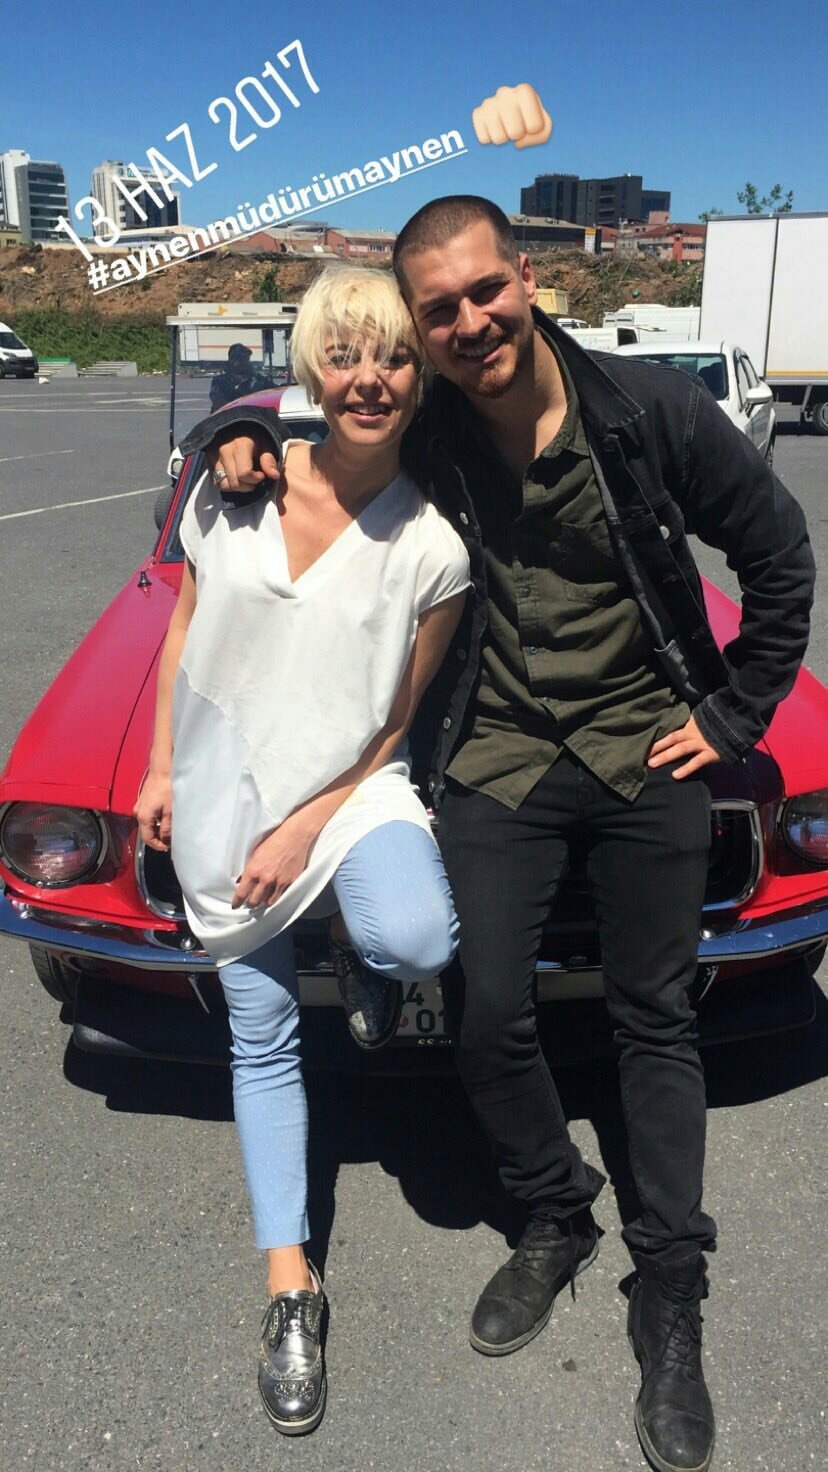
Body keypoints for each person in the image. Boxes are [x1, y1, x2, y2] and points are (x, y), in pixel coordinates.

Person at [204, 197, 815, 1472]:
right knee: (486, 1013)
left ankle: (671, 1288)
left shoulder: (647, 412)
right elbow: (322, 424)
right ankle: (555, 1212)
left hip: (644, 742)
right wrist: (233, 439)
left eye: (484, 290)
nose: (469, 321)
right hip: (500, 752)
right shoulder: (430, 422)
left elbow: (777, 549)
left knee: (655, 1018)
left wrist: (734, 710)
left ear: (527, 279)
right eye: (440, 310)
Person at [135, 266, 470, 1436]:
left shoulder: (435, 546)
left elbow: (394, 722)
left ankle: (357, 951)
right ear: (311, 374)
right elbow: (183, 623)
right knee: (264, 1035)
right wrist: (164, 768)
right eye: (344, 355)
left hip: (350, 783)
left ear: (418, 380)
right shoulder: (238, 484)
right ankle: (290, 1283)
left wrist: (305, 824)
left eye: (392, 357)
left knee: (415, 935)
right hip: (225, 782)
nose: (368, 378)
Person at [209, 341, 272, 410]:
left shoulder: (256, 379)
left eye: (247, 360)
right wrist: (245, 385)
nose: (247, 364)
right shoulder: (220, 381)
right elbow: (221, 404)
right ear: (233, 361)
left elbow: (273, 389)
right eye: (244, 360)